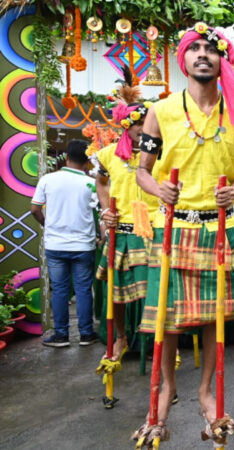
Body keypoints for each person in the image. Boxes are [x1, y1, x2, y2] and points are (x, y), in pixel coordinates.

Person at [133, 22, 234, 445]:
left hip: (220, 229)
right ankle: (168, 387)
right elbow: (141, 172)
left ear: (224, 60)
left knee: (215, 317)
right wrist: (160, 189)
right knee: (167, 322)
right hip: (173, 229)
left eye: (212, 49)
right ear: (183, 58)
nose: (204, 54)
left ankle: (206, 389)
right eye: (196, 48)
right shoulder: (162, 110)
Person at [94, 69, 154, 360]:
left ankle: (159, 342)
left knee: (155, 291)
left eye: (146, 123)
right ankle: (120, 338)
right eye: (137, 124)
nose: (142, 129)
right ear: (125, 126)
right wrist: (106, 210)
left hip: (153, 229)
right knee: (113, 292)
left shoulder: (159, 154)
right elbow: (101, 181)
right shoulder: (107, 154)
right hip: (121, 230)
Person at [31, 139, 99, 348]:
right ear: (87, 161)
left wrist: (48, 225)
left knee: (59, 290)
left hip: (55, 245)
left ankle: (61, 335)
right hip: (83, 245)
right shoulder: (92, 183)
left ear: (67, 158)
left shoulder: (48, 179)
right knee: (84, 290)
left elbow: (35, 209)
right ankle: (86, 334)